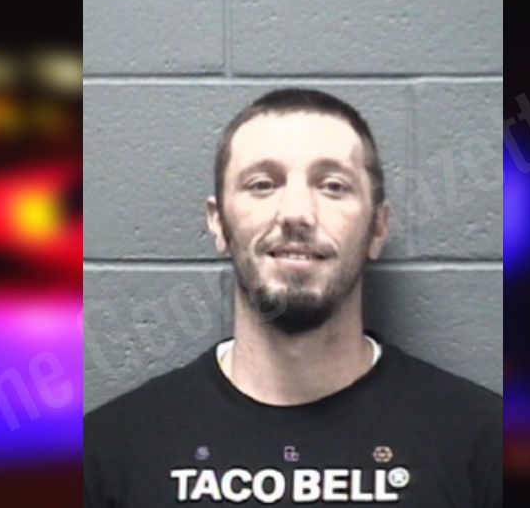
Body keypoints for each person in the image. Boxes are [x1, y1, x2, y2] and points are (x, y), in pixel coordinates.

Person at [84, 89, 502, 507]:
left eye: (333, 186)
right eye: (262, 185)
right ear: (218, 223)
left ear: (378, 227)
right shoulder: (108, 453)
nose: (296, 213)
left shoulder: (485, 446)